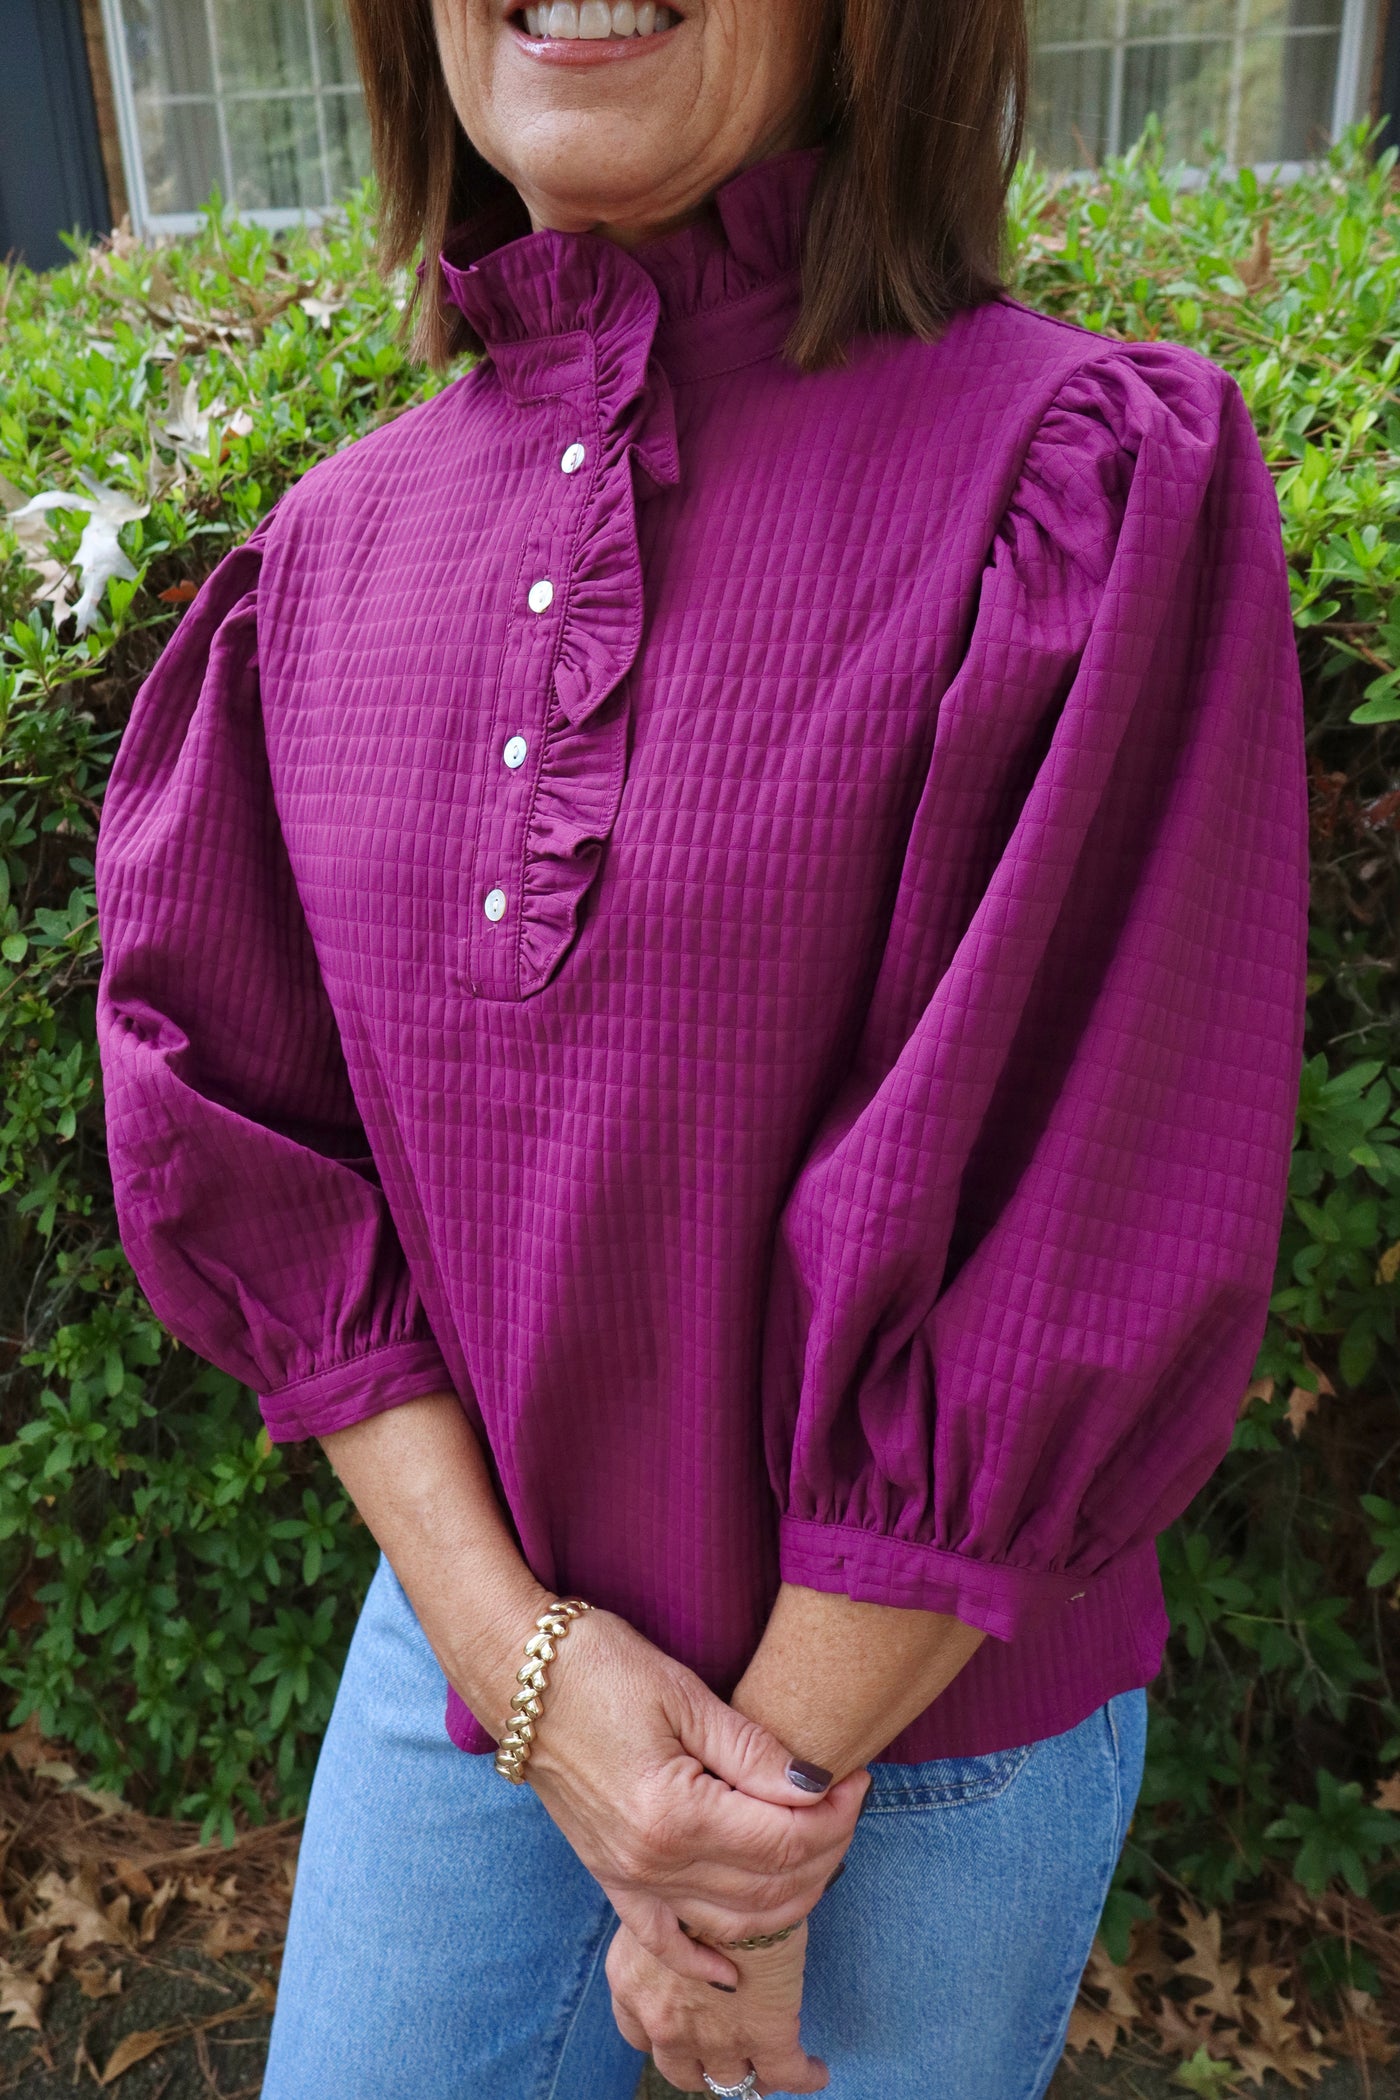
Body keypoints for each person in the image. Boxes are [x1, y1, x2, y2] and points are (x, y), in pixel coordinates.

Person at [93, 0, 1308, 2087]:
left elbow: (1091, 1202)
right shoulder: (327, 558)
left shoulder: (1083, 478)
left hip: (916, 1731)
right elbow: (270, 1160)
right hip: (476, 1672)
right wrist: (526, 1670)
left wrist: (738, 1846)